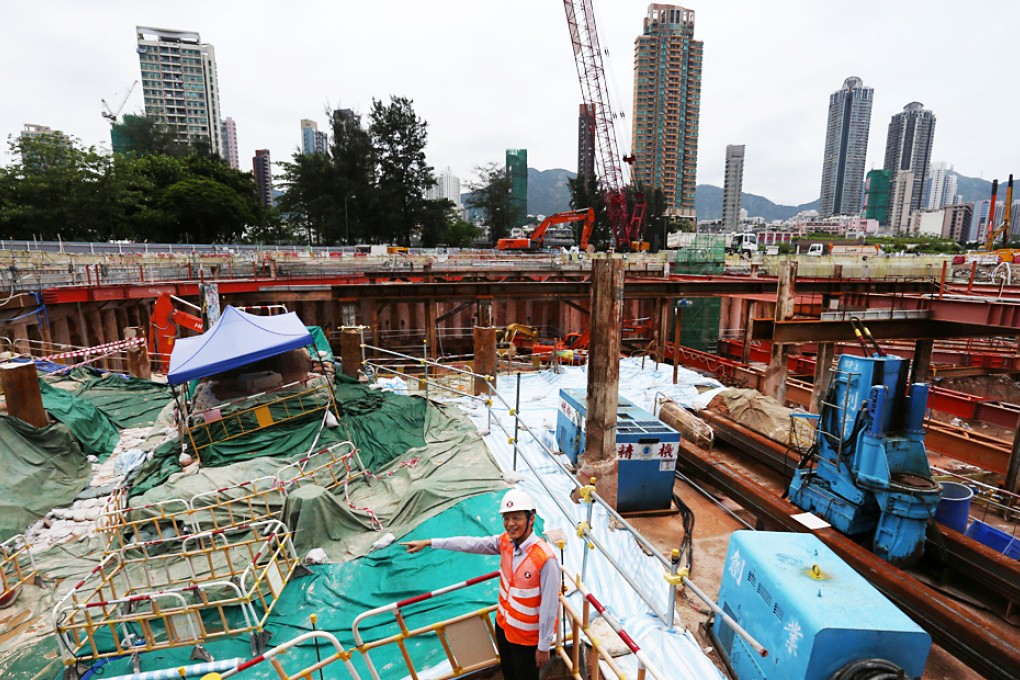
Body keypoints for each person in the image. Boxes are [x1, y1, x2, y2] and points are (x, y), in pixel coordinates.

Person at [402, 488, 559, 680]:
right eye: (506, 518)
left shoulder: (545, 559)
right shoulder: (506, 543)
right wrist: (430, 542)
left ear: (531, 518)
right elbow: (471, 543)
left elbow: (550, 607)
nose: (510, 524)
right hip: (503, 627)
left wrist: (543, 646)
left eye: (516, 518)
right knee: (509, 674)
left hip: (527, 641)